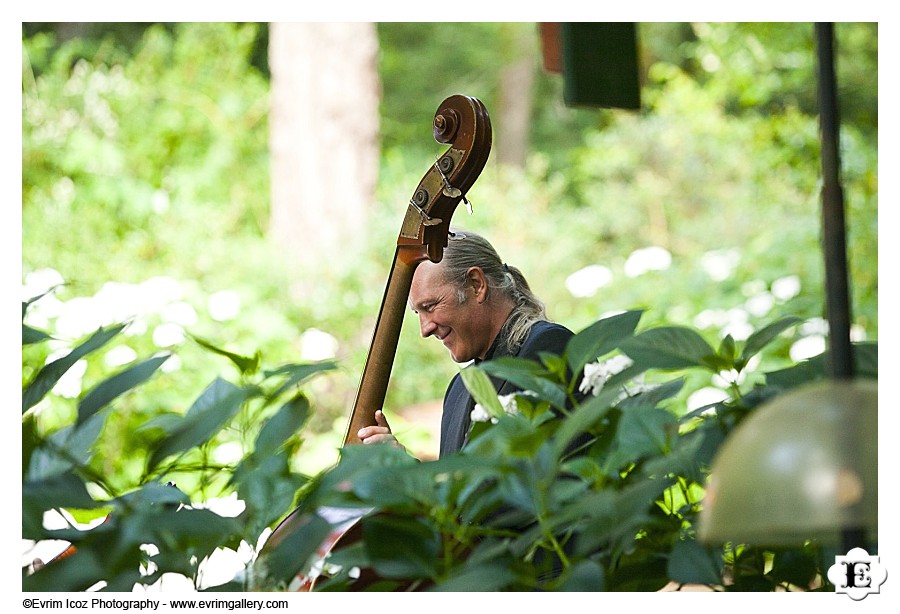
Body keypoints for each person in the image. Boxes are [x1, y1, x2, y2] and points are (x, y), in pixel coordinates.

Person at [357, 229, 576, 457]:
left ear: (476, 284)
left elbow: (545, 481)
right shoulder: (458, 389)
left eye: (430, 307)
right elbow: (462, 488)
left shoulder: (549, 347)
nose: (425, 329)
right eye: (418, 313)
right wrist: (403, 469)